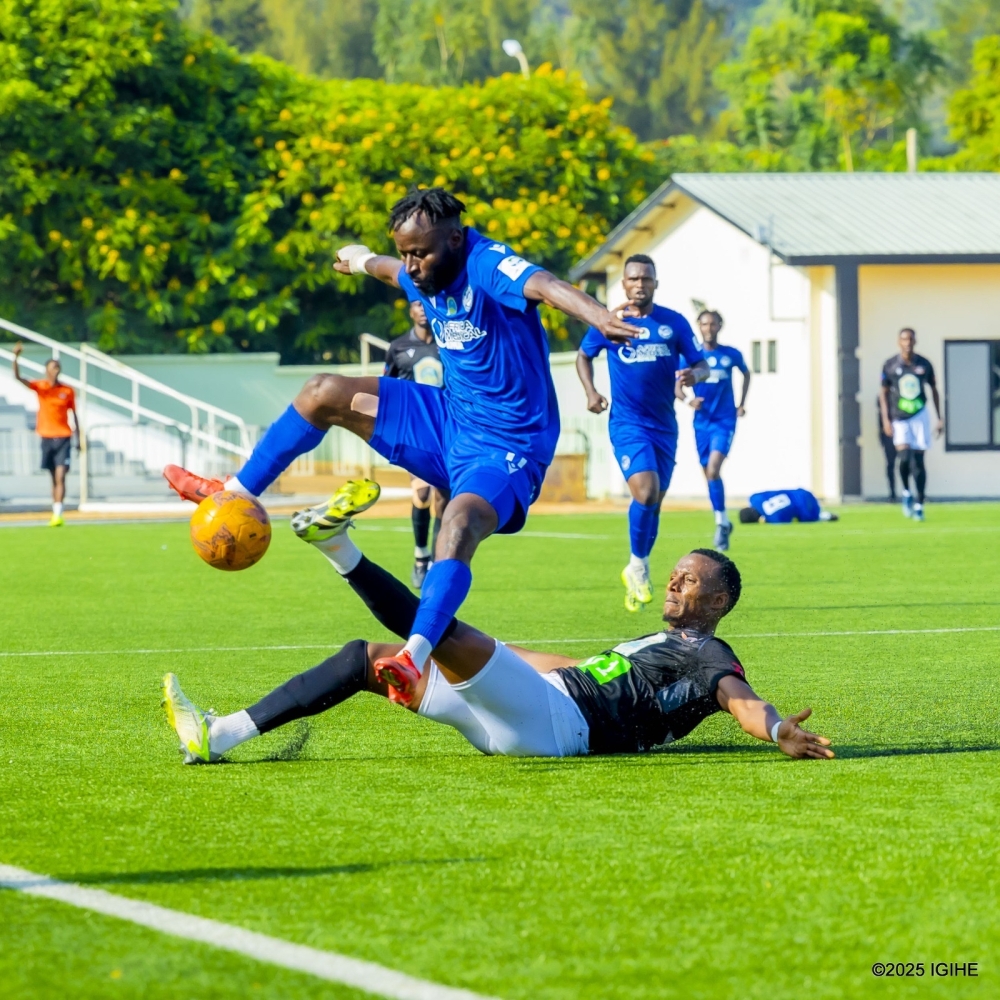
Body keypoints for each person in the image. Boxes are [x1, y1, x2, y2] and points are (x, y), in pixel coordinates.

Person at [162, 187, 637, 706]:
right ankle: (231, 490)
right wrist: (362, 260)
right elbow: (392, 269)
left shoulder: (487, 264)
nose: (413, 264)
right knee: (323, 393)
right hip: (445, 420)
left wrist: (597, 316)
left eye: (422, 252)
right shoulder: (421, 266)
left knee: (456, 524)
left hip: (506, 448)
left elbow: (546, 285)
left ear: (456, 239)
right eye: (407, 251)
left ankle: (413, 655)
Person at [162, 480, 834, 763]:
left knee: (444, 633)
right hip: (524, 713)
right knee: (364, 658)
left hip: (555, 726)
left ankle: (337, 545)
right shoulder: (662, 642)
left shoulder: (710, 653)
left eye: (692, 580)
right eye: (676, 572)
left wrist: (775, 730)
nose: (675, 582)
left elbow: (741, 700)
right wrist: (505, 653)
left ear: (717, 602)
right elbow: (578, 670)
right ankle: (218, 737)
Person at [576, 254, 708, 613]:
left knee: (654, 500)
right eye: (633, 279)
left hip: (665, 426)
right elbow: (583, 356)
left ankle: (639, 566)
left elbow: (702, 364)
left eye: (645, 279)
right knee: (646, 490)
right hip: (628, 423)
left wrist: (694, 376)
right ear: (624, 284)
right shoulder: (611, 322)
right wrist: (591, 392)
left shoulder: (672, 323)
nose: (639, 284)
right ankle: (636, 565)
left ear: (655, 284)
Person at [383, 300, 450, 589]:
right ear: (409, 311)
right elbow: (387, 388)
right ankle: (420, 555)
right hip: (415, 432)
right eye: (416, 304)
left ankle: (435, 562)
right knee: (421, 493)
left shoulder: (448, 344)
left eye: (426, 304)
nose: (422, 309)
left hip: (448, 431)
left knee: (443, 499)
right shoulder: (398, 348)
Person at [675, 310, 750, 552]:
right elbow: (676, 386)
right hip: (701, 422)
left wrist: (741, 404)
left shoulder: (730, 354)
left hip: (724, 420)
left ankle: (720, 523)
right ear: (699, 326)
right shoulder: (692, 357)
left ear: (720, 326)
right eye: (705, 324)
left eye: (713, 324)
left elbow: (746, 373)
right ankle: (724, 521)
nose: (709, 328)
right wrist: (688, 401)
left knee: (714, 469)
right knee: (708, 472)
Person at [11, 342, 79, 526]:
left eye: (58, 367)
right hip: (46, 436)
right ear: (47, 370)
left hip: (64, 436)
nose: (55, 370)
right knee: (52, 476)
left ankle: (59, 513)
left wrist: (79, 438)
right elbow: (18, 377)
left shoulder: (67, 390)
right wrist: (16, 357)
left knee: (61, 475)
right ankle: (55, 510)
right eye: (52, 367)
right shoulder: (40, 386)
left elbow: (75, 414)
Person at [879, 328, 942, 521]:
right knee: (904, 458)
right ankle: (906, 492)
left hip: (919, 415)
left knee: (919, 462)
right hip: (899, 417)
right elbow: (883, 393)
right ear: (899, 342)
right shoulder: (890, 365)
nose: (908, 343)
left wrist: (939, 418)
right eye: (904, 339)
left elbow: (933, 389)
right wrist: (885, 419)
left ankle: (919, 504)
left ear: (915, 341)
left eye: (911, 339)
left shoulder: (924, 364)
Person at [739, 488, 838, 524]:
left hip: (808, 510)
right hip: (802, 492)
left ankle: (824, 516)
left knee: (807, 518)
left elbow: (790, 519)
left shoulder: (774, 519)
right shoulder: (755, 498)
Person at [877, 398, 897, 501]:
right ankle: (892, 493)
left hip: (901, 433)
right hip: (888, 436)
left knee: (908, 462)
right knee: (890, 465)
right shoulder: (882, 398)